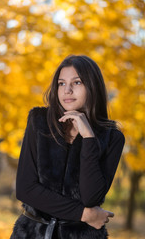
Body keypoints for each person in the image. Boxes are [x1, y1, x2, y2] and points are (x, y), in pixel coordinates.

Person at [10, 55, 125, 239]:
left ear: (93, 87)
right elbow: (26, 189)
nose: (67, 90)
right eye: (61, 83)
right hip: (30, 233)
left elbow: (91, 197)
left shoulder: (112, 137)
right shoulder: (38, 121)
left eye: (77, 82)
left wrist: (88, 137)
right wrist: (85, 214)